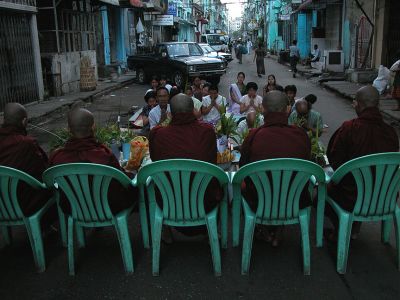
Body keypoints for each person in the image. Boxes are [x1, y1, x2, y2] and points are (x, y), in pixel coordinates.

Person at [326, 86, 399, 239]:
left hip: (352, 198)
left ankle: (342, 230)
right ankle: (354, 227)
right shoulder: (390, 132)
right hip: (384, 197)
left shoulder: (349, 128)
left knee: (322, 193)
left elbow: (335, 160)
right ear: (378, 105)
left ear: (358, 104)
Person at [240, 91, 311, 246]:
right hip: (293, 198)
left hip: (260, 199)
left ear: (263, 110)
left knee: (244, 185)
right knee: (289, 184)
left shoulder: (253, 136)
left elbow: (243, 168)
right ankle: (278, 230)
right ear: (287, 109)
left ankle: (264, 229)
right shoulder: (301, 135)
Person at [149, 93, 222, 237]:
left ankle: (167, 231)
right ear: (193, 111)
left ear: (170, 113)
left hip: (169, 202)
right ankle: (211, 232)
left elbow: (154, 159)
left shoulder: (157, 134)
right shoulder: (207, 131)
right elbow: (212, 160)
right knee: (218, 183)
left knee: (158, 182)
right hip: (204, 201)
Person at [49, 108, 137, 214]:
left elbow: (50, 183)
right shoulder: (104, 155)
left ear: (68, 129)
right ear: (93, 127)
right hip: (108, 207)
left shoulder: (57, 157)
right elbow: (122, 180)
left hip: (73, 208)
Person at [0, 103, 54, 220]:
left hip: (2, 205)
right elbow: (43, 171)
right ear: (24, 121)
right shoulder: (26, 144)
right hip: (21, 204)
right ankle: (45, 226)